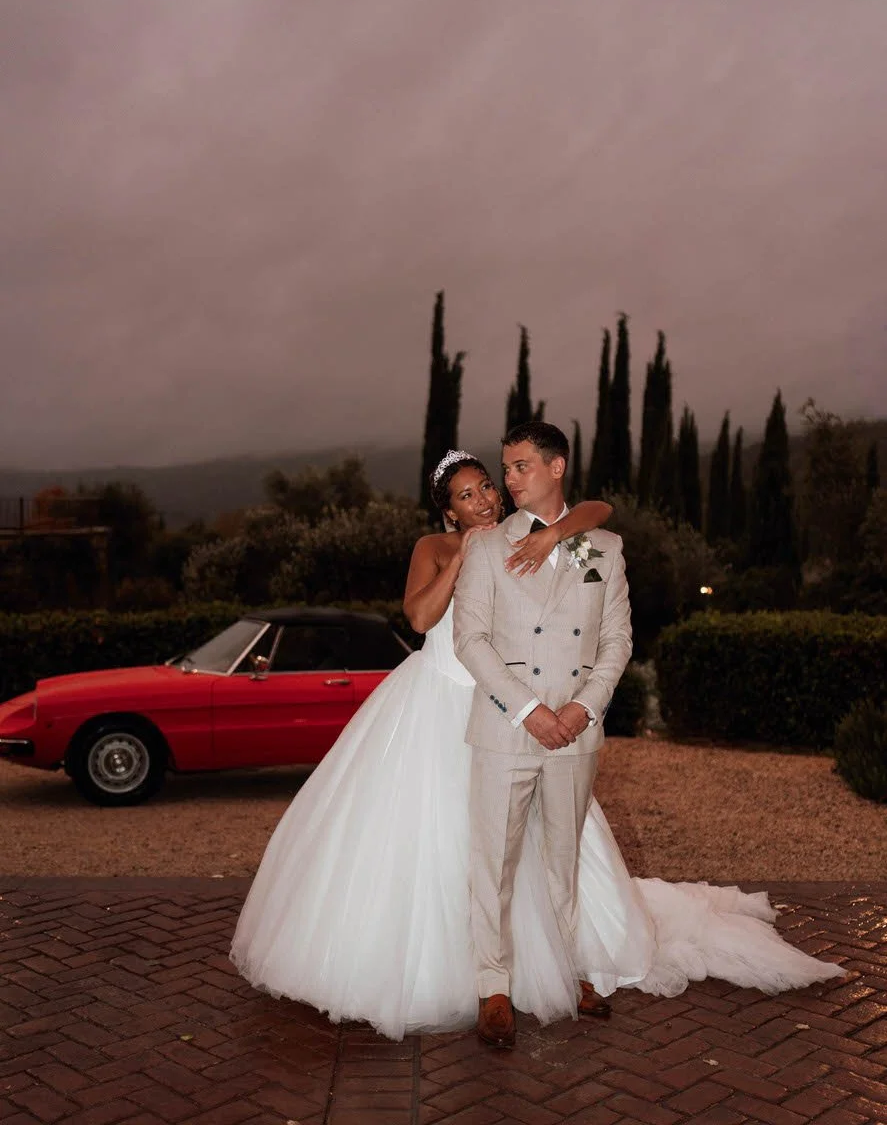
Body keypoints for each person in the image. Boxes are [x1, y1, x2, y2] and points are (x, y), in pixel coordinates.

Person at [230, 444, 843, 1043]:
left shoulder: (529, 533)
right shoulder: (441, 546)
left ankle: (561, 961)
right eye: (467, 496)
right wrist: (460, 557)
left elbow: (594, 513)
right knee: (457, 844)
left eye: (488, 486)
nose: (483, 499)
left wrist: (554, 534)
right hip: (444, 701)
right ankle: (474, 977)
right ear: (449, 511)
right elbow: (419, 620)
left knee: (552, 846)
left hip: (522, 706)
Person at [454, 421, 631, 1046]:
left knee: (564, 859)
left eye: (521, 466)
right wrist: (529, 710)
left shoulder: (602, 547)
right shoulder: (482, 547)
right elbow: (469, 640)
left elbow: (617, 642)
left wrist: (584, 707)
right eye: (506, 469)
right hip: (507, 728)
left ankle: (570, 968)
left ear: (557, 468)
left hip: (576, 730)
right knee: (493, 863)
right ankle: (492, 987)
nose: (508, 479)